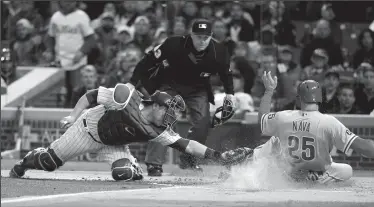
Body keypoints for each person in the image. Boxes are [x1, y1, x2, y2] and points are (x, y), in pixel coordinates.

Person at [9, 83, 252, 181]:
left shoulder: (157, 129)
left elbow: (185, 144)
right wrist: (72, 116)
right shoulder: (127, 97)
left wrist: (218, 156)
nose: (173, 116)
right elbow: (91, 96)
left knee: (123, 173)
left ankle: (131, 167)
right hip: (87, 130)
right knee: (48, 162)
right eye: (169, 110)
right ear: (156, 105)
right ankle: (26, 161)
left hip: (114, 145)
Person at [130, 19, 235, 176]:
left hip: (198, 88)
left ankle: (189, 160)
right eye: (198, 36)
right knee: (164, 115)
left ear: (211, 36)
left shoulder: (219, 52)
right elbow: (148, 60)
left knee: (202, 122)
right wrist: (132, 83)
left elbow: (226, 74)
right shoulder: (173, 44)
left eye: (206, 37)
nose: (202, 40)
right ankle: (154, 163)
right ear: (191, 35)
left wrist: (230, 94)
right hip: (170, 84)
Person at [250, 71, 374, 183]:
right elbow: (364, 147)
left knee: (272, 150)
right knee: (347, 170)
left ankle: (298, 174)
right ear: (319, 99)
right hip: (318, 171)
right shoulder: (329, 121)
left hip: (288, 173)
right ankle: (316, 177)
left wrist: (269, 91)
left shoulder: (283, 116)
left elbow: (262, 118)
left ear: (298, 99)